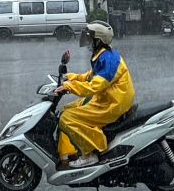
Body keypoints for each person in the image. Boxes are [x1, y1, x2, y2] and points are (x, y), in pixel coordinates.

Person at [54, 21, 136, 168]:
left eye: (90, 39)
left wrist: (69, 87)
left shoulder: (109, 60)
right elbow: (90, 76)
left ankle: (90, 153)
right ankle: (68, 153)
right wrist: (71, 78)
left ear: (98, 40)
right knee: (68, 109)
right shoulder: (103, 55)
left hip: (112, 104)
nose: (87, 42)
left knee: (67, 118)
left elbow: (94, 86)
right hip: (107, 99)